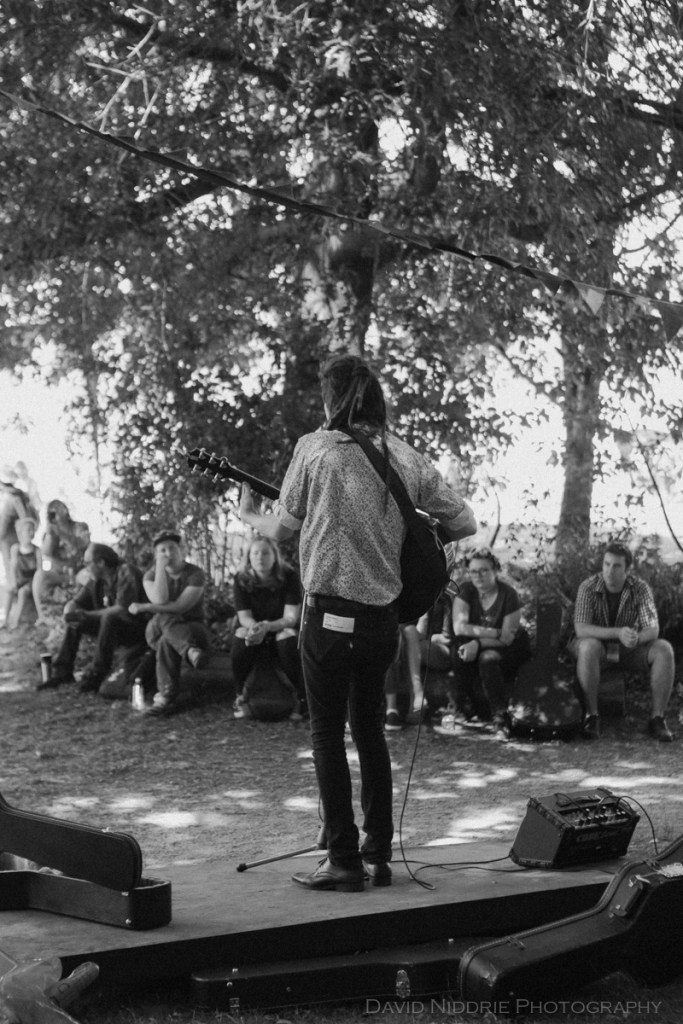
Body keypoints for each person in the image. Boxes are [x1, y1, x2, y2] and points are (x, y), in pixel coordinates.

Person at [239, 353, 476, 892]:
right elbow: (464, 522)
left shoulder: (315, 447)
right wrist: (412, 529)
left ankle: (342, 861)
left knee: (326, 733)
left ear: (331, 398)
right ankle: (378, 857)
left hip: (328, 620)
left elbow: (282, 530)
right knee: (369, 731)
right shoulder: (406, 456)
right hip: (381, 623)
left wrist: (248, 514)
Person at [569, 542, 675, 742]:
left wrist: (635, 638)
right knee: (589, 646)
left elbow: (652, 629)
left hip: (627, 649)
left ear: (627, 569)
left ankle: (657, 718)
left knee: (664, 649)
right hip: (595, 648)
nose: (610, 571)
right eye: (606, 564)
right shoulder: (588, 586)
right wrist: (618, 632)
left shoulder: (640, 588)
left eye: (617, 566)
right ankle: (592, 716)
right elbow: (581, 629)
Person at [435, 548, 531, 736]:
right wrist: (494, 633)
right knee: (459, 648)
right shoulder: (466, 590)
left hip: (509, 648)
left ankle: (500, 715)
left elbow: (507, 638)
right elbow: (460, 628)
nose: (478, 576)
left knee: (487, 658)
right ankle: (459, 707)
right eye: (473, 571)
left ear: (495, 570)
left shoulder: (508, 594)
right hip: (482, 643)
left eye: (483, 570)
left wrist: (478, 643)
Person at [39, 542, 147, 691]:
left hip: (136, 629)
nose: (86, 568)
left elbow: (121, 609)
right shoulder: (97, 580)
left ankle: (96, 674)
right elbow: (77, 602)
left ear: (101, 562)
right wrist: (70, 610)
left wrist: (86, 615)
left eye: (87, 563)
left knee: (109, 617)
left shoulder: (126, 571)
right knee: (76, 619)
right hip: (112, 628)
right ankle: (62, 672)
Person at [129, 529, 211, 716]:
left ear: (181, 549)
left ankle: (165, 698)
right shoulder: (150, 575)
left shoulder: (195, 573)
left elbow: (181, 607)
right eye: (162, 550)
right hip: (157, 631)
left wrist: (146, 607)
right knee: (165, 618)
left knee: (168, 638)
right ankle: (189, 651)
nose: (168, 554)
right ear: (156, 555)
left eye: (172, 548)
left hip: (193, 629)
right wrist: (160, 569)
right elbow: (160, 599)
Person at [231, 536, 305, 720]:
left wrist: (267, 627)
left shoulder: (289, 576)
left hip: (281, 627)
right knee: (241, 635)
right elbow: (244, 617)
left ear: (274, 556)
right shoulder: (241, 578)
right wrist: (256, 629)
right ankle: (240, 694)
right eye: (255, 553)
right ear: (248, 557)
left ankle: (301, 698)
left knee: (286, 637)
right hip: (255, 628)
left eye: (265, 553)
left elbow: (290, 618)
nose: (260, 557)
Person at [384, 593, 454, 731]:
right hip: (412, 646)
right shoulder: (411, 596)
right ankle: (408, 704)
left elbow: (447, 638)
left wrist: (424, 620)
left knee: (408, 636)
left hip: (439, 651)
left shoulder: (445, 599)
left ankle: (399, 706)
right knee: (398, 639)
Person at [32, 499, 90, 621]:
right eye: (50, 513)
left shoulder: (79, 527)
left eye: (55, 512)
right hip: (60, 574)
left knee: (88, 576)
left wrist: (61, 533)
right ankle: (42, 616)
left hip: (79, 571)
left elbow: (82, 545)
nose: (52, 516)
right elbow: (46, 553)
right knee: (39, 576)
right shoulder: (50, 533)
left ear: (64, 511)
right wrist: (50, 535)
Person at [1, 517, 40, 629]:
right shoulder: (15, 549)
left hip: (31, 581)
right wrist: (13, 582)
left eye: (32, 530)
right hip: (20, 579)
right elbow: (13, 567)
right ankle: (5, 620)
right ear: (20, 533)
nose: (31, 533)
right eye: (28, 530)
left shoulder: (36, 550)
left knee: (23, 592)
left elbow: (39, 571)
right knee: (9, 591)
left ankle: (15, 622)